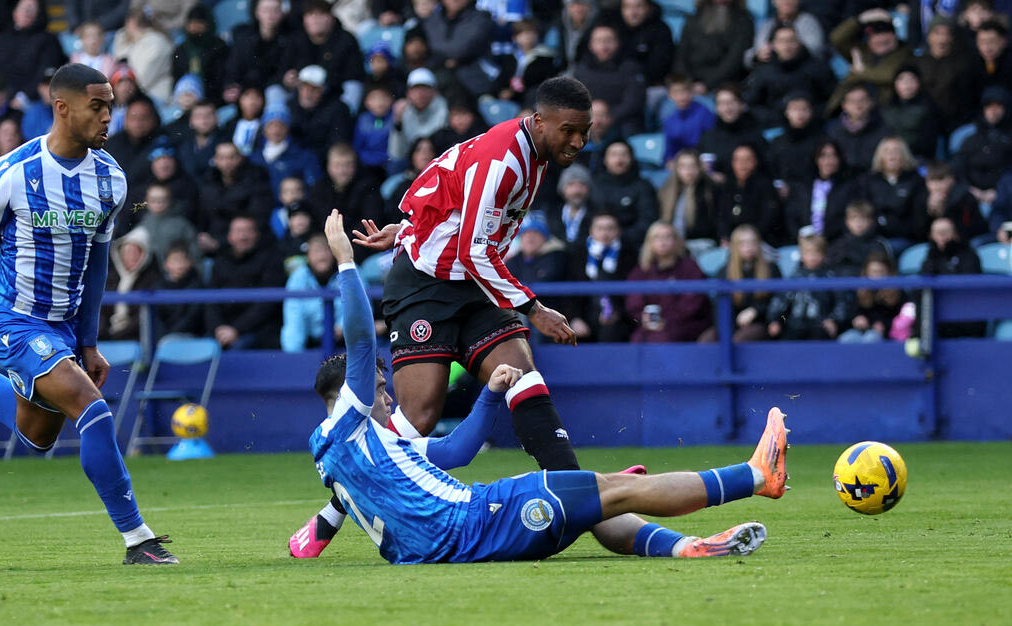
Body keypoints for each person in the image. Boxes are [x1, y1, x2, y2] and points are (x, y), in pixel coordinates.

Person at [307, 209, 790, 564]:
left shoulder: (348, 456)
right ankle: (753, 476)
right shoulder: (351, 421)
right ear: (345, 397)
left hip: (464, 538)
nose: (386, 395)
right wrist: (346, 264)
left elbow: (455, 451)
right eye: (377, 387)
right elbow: (361, 339)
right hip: (484, 520)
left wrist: (492, 394)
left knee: (599, 499)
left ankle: (684, 547)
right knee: (618, 489)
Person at [295, 77, 594, 555]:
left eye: (585, 131)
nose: (578, 141)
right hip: (425, 286)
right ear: (540, 121)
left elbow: (448, 184)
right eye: (570, 130)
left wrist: (413, 225)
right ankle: (334, 510)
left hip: (470, 281)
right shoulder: (505, 160)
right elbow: (476, 249)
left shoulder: (534, 155)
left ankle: (578, 489)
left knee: (521, 372)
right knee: (417, 415)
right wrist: (534, 308)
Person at [0, 63, 178, 565]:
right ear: (62, 107)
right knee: (90, 406)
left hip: (63, 327)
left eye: (111, 106)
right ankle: (138, 538)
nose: (108, 117)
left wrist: (88, 341)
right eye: (98, 106)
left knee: (38, 435)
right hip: (11, 318)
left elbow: (97, 266)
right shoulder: (14, 171)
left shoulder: (111, 180)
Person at [204, 215, 287, 349]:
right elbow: (211, 300)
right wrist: (218, 328)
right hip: (222, 331)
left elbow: (267, 304)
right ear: (229, 236)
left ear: (256, 235)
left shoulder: (271, 259)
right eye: (238, 231)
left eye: (248, 231)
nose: (243, 236)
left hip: (256, 330)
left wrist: (236, 330)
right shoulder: (220, 261)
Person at [626, 222, 713, 343]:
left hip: (686, 325)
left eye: (667, 237)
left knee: (662, 338)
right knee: (637, 339)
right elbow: (634, 302)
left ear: (677, 241)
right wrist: (643, 318)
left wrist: (666, 320)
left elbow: (692, 303)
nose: (663, 242)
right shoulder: (641, 270)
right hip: (650, 326)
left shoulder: (690, 267)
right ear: (649, 242)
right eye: (657, 237)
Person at [742, 25, 835, 126]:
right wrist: (777, 118)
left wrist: (810, 114)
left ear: (799, 43)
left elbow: (832, 100)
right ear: (773, 45)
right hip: (774, 126)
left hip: (814, 127)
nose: (787, 46)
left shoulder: (817, 68)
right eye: (781, 41)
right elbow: (753, 104)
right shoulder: (763, 71)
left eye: (791, 40)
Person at [567, 212, 637, 342]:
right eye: (600, 228)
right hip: (586, 315)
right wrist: (574, 318)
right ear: (591, 231)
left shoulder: (630, 255)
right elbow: (570, 292)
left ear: (618, 231)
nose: (605, 233)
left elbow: (632, 293)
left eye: (610, 228)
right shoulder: (578, 255)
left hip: (620, 318)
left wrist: (618, 313)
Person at [826, 9, 913, 113]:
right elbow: (836, 38)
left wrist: (860, 71)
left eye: (886, 38)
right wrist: (860, 19)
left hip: (881, 113)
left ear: (895, 36)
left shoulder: (904, 53)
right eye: (876, 37)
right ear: (869, 39)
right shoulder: (861, 50)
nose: (881, 39)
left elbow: (890, 75)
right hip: (843, 110)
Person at [766, 233, 848, 340]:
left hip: (820, 324)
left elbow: (840, 302)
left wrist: (834, 320)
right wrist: (775, 320)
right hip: (794, 324)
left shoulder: (830, 277)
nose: (812, 257)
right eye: (808, 253)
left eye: (816, 253)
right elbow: (781, 301)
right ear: (802, 254)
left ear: (823, 254)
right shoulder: (794, 277)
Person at [569, 24, 646, 137]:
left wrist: (609, 116)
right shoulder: (581, 70)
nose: (604, 46)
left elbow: (634, 101)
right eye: (599, 41)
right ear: (591, 45)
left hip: (621, 120)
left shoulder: (630, 68)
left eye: (609, 41)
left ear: (618, 43)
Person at [0, 0, 66, 102]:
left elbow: (45, 73)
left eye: (31, 9)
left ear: (38, 14)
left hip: (31, 100)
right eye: (24, 8)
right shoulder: (0, 39)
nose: (27, 12)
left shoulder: (49, 40)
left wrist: (23, 97)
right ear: (15, 13)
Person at [920, 217, 985, 338]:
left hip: (967, 315)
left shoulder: (969, 255)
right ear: (931, 236)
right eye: (938, 234)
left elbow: (969, 285)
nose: (942, 238)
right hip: (938, 316)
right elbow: (921, 287)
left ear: (955, 234)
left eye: (945, 233)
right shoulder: (930, 258)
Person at [673, 0, 756, 94]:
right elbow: (681, 56)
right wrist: (687, 83)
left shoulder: (743, 21)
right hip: (689, 84)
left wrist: (707, 85)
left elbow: (734, 61)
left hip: (725, 86)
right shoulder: (693, 19)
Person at [281, 235, 347, 352]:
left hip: (347, 340)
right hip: (311, 341)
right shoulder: (298, 278)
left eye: (325, 250)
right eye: (316, 252)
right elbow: (293, 319)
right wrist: (294, 357)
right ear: (307, 256)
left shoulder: (349, 272)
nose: (321, 256)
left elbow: (360, 307)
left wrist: (343, 327)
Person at [914, 17, 980, 133]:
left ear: (953, 38)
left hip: (955, 124)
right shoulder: (917, 63)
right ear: (929, 37)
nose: (942, 39)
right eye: (937, 33)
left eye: (947, 34)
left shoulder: (964, 64)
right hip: (923, 124)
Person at [715, 224, 779, 342]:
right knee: (707, 340)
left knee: (739, 340)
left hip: (763, 323)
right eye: (742, 243)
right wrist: (726, 329)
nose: (748, 247)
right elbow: (719, 306)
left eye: (752, 242)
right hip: (733, 323)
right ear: (734, 246)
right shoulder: (724, 272)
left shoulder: (771, 269)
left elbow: (779, 302)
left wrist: (756, 311)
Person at [785, 139, 856, 244]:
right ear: (816, 159)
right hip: (804, 244)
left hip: (836, 243)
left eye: (833, 156)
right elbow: (792, 215)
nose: (829, 161)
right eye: (823, 156)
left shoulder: (848, 187)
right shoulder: (803, 186)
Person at [860, 136, 924, 251]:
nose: (892, 156)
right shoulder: (868, 181)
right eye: (887, 151)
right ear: (880, 156)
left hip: (906, 238)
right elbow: (865, 211)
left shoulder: (916, 181)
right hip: (874, 237)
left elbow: (918, 219)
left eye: (896, 151)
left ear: (904, 155)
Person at [591, 141, 658, 248]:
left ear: (631, 158)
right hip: (595, 243)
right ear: (605, 159)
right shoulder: (594, 185)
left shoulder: (643, 186)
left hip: (633, 245)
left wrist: (617, 237)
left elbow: (647, 221)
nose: (619, 160)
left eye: (624, 154)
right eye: (613, 155)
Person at [715, 143, 783, 245]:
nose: (742, 164)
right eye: (738, 160)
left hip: (759, 241)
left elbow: (768, 218)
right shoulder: (727, 186)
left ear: (755, 161)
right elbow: (721, 217)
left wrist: (749, 239)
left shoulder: (765, 186)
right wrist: (726, 236)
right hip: (731, 242)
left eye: (747, 160)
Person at [657, 149, 720, 253]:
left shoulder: (709, 190)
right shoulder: (666, 190)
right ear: (677, 169)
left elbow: (714, 224)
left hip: (700, 243)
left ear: (700, 168)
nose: (688, 171)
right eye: (683, 167)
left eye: (692, 166)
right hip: (671, 243)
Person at [696, 85, 765, 179]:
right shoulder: (708, 137)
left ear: (741, 105)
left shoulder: (755, 136)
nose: (727, 108)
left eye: (731, 102)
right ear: (716, 108)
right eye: (721, 103)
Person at [103, 226, 160, 340]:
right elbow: (100, 312)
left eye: (136, 252)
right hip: (107, 335)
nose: (131, 257)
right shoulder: (109, 278)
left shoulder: (152, 280)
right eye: (127, 252)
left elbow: (144, 317)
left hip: (135, 336)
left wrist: (119, 334)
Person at [288, 65, 354, 161]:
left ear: (323, 89)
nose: (307, 93)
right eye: (303, 87)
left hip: (324, 162)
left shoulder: (339, 110)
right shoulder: (290, 105)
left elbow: (338, 143)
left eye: (313, 89)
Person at [825, 84, 889, 177]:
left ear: (871, 102)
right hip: (841, 180)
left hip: (872, 180)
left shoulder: (882, 128)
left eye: (862, 100)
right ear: (844, 105)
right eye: (852, 101)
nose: (857, 105)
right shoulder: (832, 130)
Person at [387, 69, 449, 165]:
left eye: (425, 89)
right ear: (408, 93)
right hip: (412, 164)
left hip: (440, 162)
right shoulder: (404, 111)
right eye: (415, 89)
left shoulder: (444, 108)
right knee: (394, 164)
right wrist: (398, 123)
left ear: (434, 92)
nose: (420, 94)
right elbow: (396, 154)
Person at [112, 8, 174, 103]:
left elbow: (142, 80)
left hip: (155, 99)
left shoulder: (157, 43)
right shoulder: (127, 40)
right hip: (131, 97)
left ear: (132, 23)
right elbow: (118, 66)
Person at [880, 66, 942, 162]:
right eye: (902, 79)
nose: (907, 84)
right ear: (895, 84)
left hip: (917, 157)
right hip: (888, 157)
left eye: (912, 79)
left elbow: (929, 140)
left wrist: (903, 153)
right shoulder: (887, 107)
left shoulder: (928, 107)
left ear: (919, 83)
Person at [839, 252, 903, 343]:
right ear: (866, 272)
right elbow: (850, 312)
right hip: (860, 331)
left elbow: (902, 318)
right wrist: (856, 318)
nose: (877, 276)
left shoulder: (897, 292)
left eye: (881, 272)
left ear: (889, 272)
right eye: (873, 272)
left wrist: (884, 325)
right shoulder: (859, 290)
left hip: (886, 335)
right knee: (845, 339)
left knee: (871, 338)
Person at [915, 162, 986, 243]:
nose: (936, 185)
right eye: (932, 180)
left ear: (951, 179)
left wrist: (944, 210)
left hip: (967, 240)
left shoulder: (964, 197)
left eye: (941, 179)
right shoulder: (922, 198)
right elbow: (919, 232)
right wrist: (930, 212)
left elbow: (968, 227)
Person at [744, 0, 824, 68]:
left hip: (800, 75)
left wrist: (790, 50)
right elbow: (749, 56)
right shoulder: (767, 25)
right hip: (769, 77)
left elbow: (816, 51)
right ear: (774, 1)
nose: (787, 1)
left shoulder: (808, 22)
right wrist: (758, 56)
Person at [614, 0, 676, 86]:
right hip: (614, 83)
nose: (633, 12)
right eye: (627, 7)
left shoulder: (661, 30)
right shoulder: (613, 27)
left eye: (638, 6)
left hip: (649, 85)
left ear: (648, 8)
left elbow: (659, 67)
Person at [826, 201, 893, 276]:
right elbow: (830, 269)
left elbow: (886, 271)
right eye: (854, 218)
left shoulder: (879, 244)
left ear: (871, 221)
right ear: (847, 221)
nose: (858, 222)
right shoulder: (838, 244)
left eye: (863, 218)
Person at [153, 243, 204, 338]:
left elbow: (192, 319)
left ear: (190, 262)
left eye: (183, 260)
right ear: (166, 264)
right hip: (162, 339)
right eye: (175, 260)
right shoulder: (157, 287)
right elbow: (156, 319)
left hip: (190, 337)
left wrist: (171, 336)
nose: (179, 265)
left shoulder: (197, 286)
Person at [661, 75, 716, 162]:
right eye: (676, 92)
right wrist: (669, 161)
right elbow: (669, 150)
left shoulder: (705, 114)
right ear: (669, 95)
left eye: (684, 91)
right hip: (680, 164)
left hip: (700, 160)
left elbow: (711, 143)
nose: (681, 96)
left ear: (692, 92)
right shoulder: (669, 121)